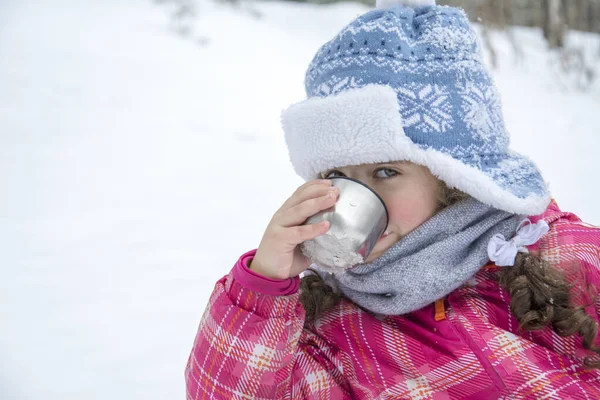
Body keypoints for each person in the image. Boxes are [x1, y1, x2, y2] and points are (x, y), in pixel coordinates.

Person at [184, 0, 600, 398]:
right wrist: (263, 285)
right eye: (336, 175)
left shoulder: (563, 255)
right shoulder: (332, 325)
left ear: (451, 177)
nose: (356, 195)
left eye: (386, 172)